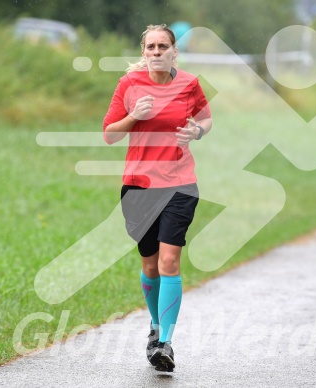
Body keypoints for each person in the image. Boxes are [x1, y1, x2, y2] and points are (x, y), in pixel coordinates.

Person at [103, 24, 212, 372]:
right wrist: (135, 117)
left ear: (174, 51)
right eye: (150, 46)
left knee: (169, 262)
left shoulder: (189, 84)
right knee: (150, 265)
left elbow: (206, 120)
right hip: (138, 186)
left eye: (163, 46)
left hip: (180, 184)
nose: (156, 52)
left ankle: (165, 342)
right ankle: (155, 326)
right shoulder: (129, 85)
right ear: (143, 51)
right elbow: (108, 135)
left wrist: (196, 131)